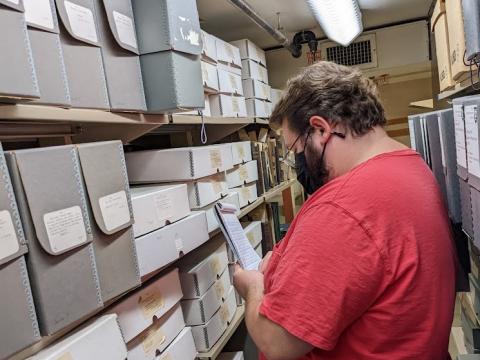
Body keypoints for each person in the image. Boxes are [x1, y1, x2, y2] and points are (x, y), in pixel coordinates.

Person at [232, 61, 456, 360]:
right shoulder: (410, 166)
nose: (298, 162)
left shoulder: (345, 206)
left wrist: (253, 288)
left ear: (321, 129)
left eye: (296, 150)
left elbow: (277, 343)